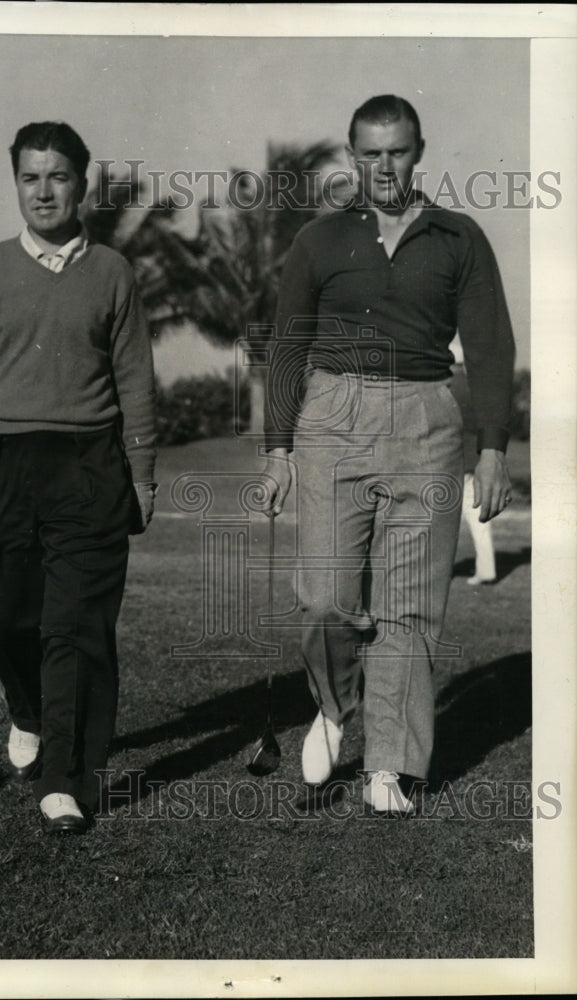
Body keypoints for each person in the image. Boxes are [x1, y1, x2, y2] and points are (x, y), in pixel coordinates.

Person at [0, 121, 157, 834]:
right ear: (16, 183)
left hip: (89, 463)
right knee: (6, 616)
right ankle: (27, 712)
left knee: (76, 625)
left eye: (58, 176)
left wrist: (144, 472)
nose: (44, 191)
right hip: (1, 460)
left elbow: (135, 376)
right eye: (30, 177)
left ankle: (65, 780)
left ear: (82, 183)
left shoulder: (112, 272)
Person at [262, 95, 514, 814]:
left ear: (418, 150)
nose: (383, 165)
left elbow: (491, 348)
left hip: (428, 417)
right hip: (332, 412)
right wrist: (277, 448)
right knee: (324, 597)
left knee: (407, 606)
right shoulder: (318, 240)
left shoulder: (458, 237)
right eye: (369, 153)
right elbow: (286, 346)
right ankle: (335, 708)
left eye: (396, 151)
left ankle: (387, 766)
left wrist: (491, 448)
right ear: (351, 157)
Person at [449, 353, 498, 585]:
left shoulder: (446, 388)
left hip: (450, 461)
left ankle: (438, 572)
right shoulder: (476, 389)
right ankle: (486, 570)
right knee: (480, 520)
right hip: (475, 461)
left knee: (443, 522)